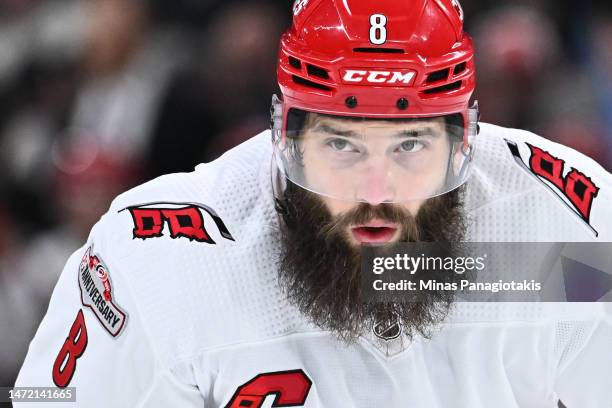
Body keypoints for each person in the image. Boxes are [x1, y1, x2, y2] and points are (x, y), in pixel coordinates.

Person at [15, 1, 612, 407]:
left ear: (463, 142)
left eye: (410, 144)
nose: (375, 192)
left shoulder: (564, 225)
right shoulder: (161, 262)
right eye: (341, 144)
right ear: (285, 136)